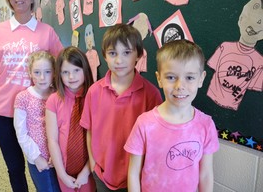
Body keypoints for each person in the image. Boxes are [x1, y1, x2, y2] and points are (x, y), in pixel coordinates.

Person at [0, 0, 63, 191]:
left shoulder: (47, 32)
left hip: (39, 111)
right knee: (15, 168)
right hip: (3, 113)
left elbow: (62, 67)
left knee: (43, 163)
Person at [124, 39, 220, 192]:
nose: (179, 86)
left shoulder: (206, 125)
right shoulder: (144, 123)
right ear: (159, 79)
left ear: (201, 79)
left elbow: (206, 174)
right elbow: (134, 172)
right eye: (171, 77)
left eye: (189, 77)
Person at [80, 23, 163, 191]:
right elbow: (90, 130)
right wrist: (92, 160)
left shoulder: (151, 95)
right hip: (102, 174)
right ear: (104, 56)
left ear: (139, 54)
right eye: (112, 53)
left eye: (127, 52)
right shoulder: (94, 92)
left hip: (135, 179)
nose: (119, 60)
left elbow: (156, 141)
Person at [45, 47, 96, 192]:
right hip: (64, 168)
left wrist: (86, 172)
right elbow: (52, 139)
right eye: (65, 72)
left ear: (85, 70)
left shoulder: (95, 97)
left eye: (76, 70)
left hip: (90, 169)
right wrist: (62, 174)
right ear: (59, 74)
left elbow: (98, 140)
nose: (71, 77)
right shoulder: (54, 100)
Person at [13, 51, 60, 192]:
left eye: (47, 72)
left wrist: (56, 154)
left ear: (54, 73)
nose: (42, 77)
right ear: (30, 73)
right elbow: (21, 133)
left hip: (58, 156)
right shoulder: (23, 97)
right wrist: (37, 157)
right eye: (37, 72)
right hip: (38, 159)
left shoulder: (58, 94)